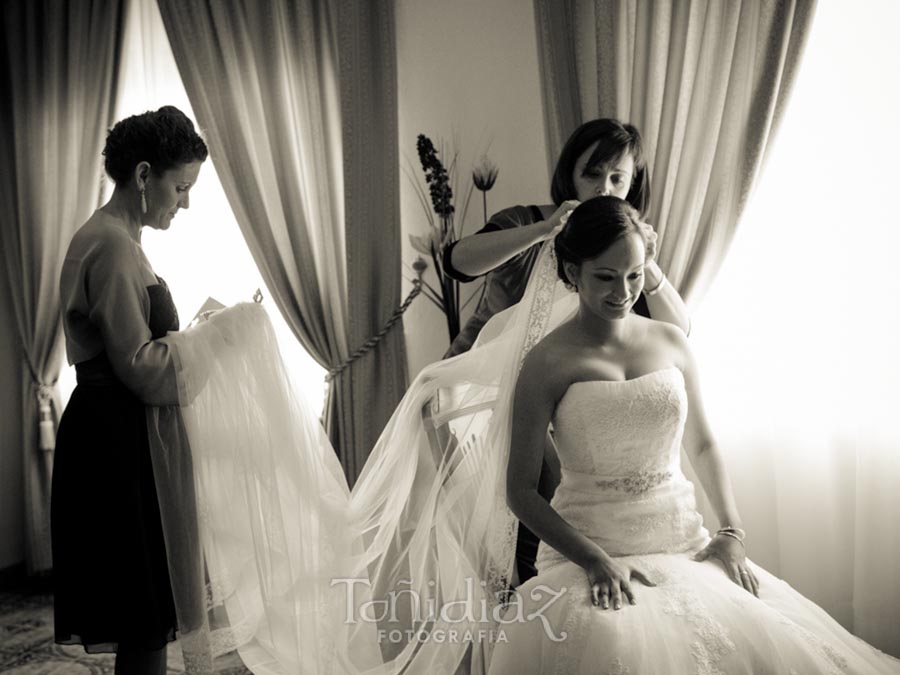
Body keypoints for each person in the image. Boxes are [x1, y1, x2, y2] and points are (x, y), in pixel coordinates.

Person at [487, 196, 900, 674]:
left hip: (684, 540)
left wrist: (732, 530)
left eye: (635, 274)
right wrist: (594, 559)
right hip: (592, 549)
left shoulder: (671, 341)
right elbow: (519, 491)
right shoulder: (545, 363)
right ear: (572, 272)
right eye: (605, 276)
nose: (623, 291)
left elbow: (703, 444)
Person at [444, 118, 690, 586]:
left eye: (619, 178)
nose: (605, 188)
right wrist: (543, 231)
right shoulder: (527, 219)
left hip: (568, 397)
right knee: (519, 525)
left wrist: (648, 261)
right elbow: (457, 262)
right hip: (486, 394)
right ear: (568, 174)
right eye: (592, 174)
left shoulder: (622, 244)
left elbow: (679, 330)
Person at [52, 106, 209, 675]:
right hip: (116, 442)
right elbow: (140, 366)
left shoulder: (115, 238)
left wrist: (196, 334)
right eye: (180, 187)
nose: (185, 203)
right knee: (143, 617)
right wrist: (214, 339)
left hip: (116, 431)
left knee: (143, 616)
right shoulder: (112, 245)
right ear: (144, 176)